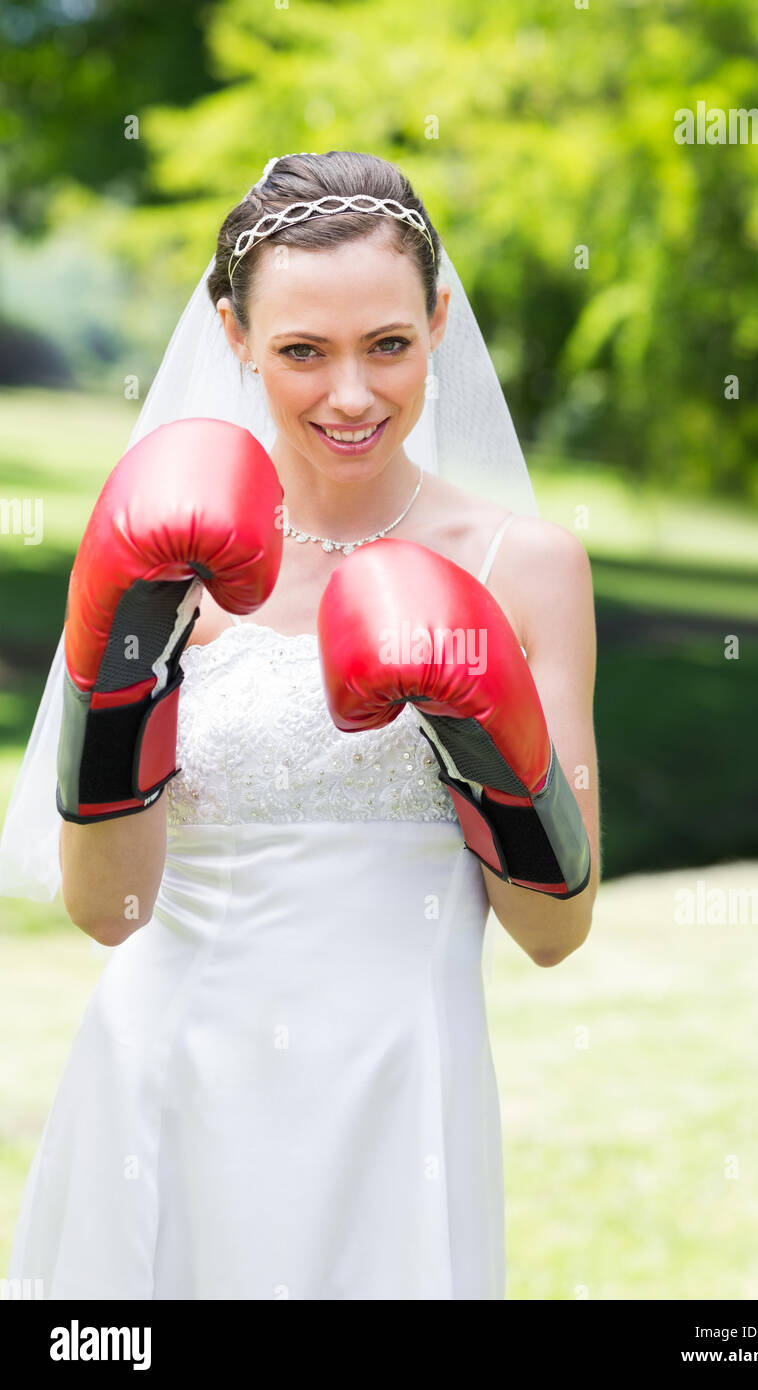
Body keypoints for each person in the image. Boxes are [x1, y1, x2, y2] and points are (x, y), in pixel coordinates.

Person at [0, 150, 600, 1300]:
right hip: (164, 1075)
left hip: (396, 1089)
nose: (350, 395)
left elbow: (552, 932)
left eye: (387, 344)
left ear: (435, 321)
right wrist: (132, 661)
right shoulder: (163, 556)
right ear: (233, 335)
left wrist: (473, 730)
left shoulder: (525, 566)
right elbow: (107, 909)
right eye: (300, 352)